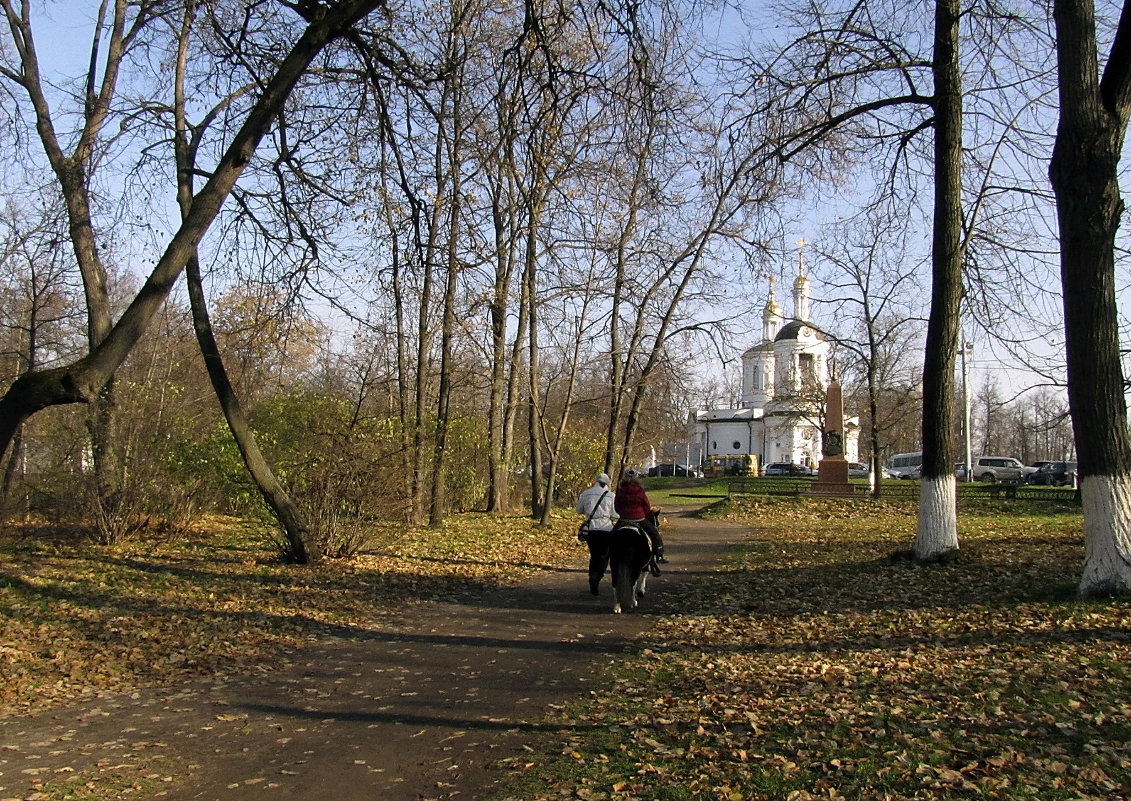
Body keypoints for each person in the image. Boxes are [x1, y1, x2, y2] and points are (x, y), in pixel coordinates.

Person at [575, 472, 617, 595]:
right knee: (604, 556)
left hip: (591, 529)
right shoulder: (611, 496)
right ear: (607, 484)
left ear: (596, 482)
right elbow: (615, 514)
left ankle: (592, 576)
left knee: (594, 555)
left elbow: (578, 510)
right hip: (606, 529)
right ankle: (597, 576)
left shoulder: (585, 494)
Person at [614, 467, 667, 563]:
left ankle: (607, 554)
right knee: (654, 533)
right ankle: (659, 554)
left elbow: (617, 505)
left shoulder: (620, 488)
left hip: (624, 519)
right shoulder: (639, 489)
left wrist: (621, 513)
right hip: (639, 518)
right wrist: (645, 513)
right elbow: (646, 505)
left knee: (612, 535)